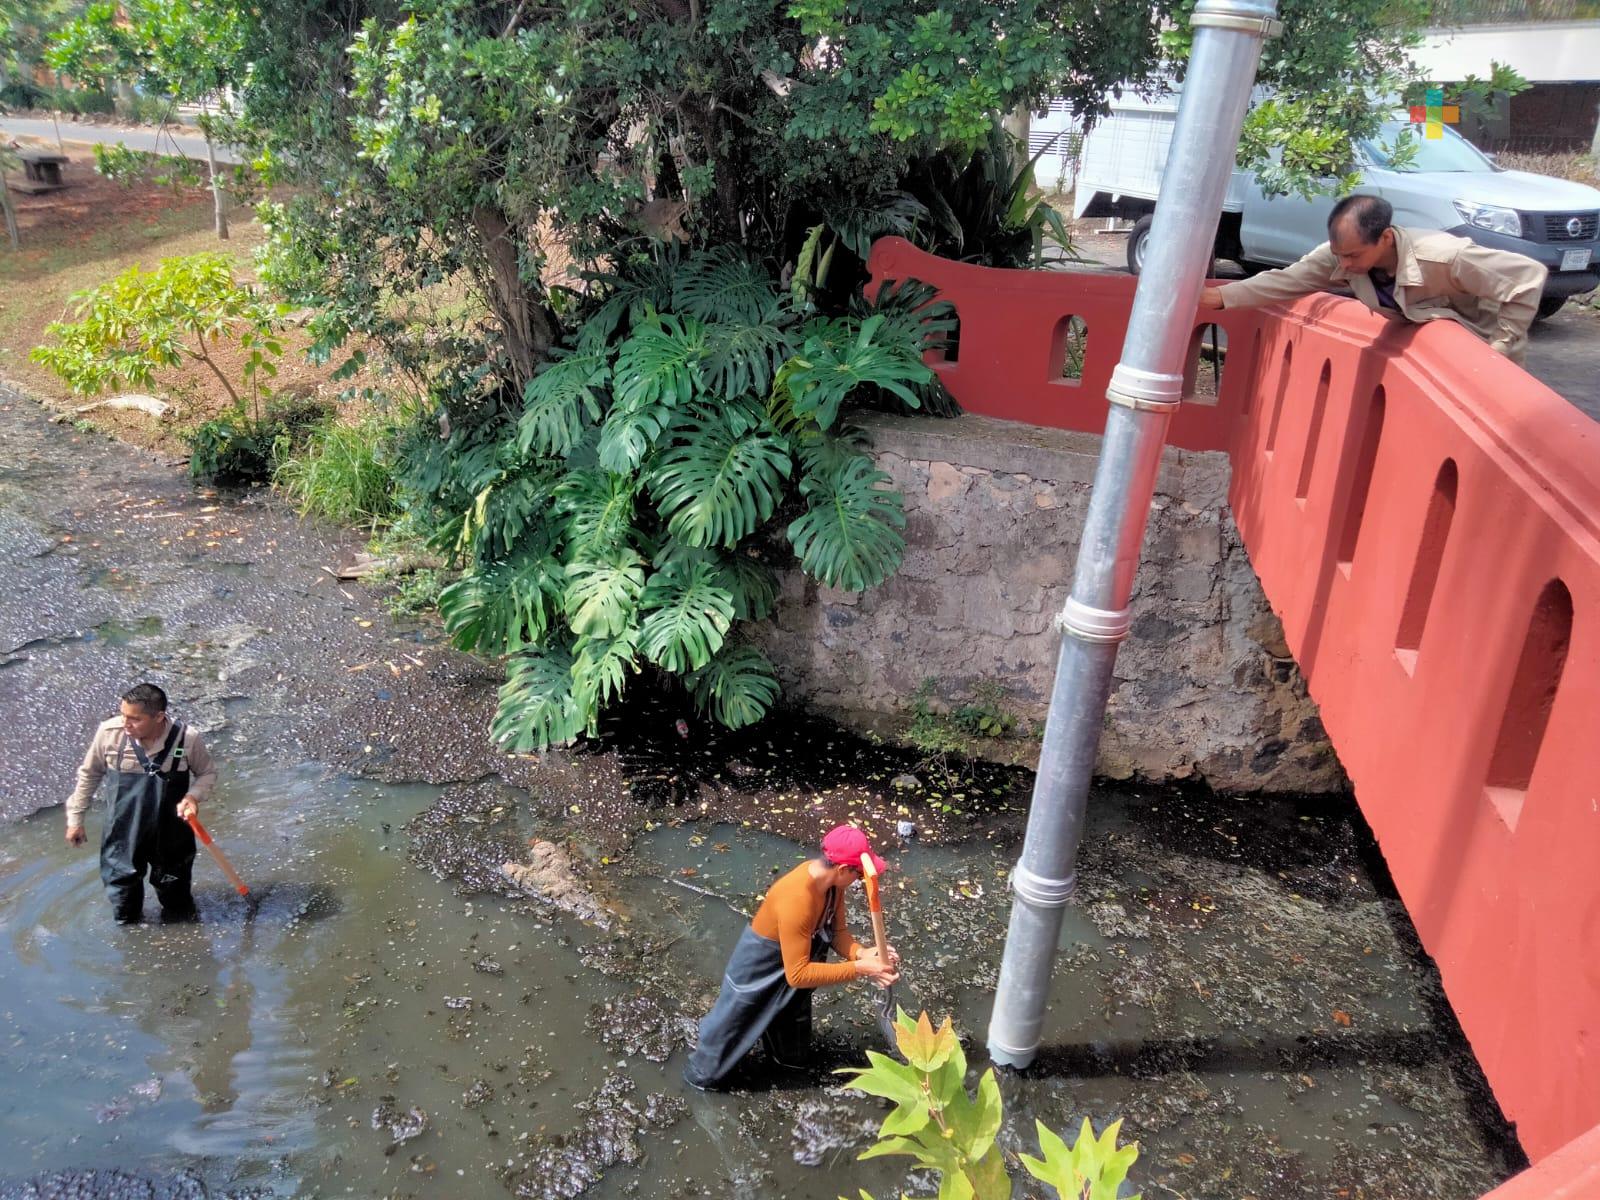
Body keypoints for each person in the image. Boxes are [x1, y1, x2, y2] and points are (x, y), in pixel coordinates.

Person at [1199, 194, 1549, 363]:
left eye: (1353, 256)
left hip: (1486, 357)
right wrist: (1221, 297)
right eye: (1339, 255)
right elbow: (1289, 280)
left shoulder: (1443, 256)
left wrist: (1499, 348)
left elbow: (1527, 277)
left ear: (1384, 238)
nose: (1344, 264)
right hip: (1438, 356)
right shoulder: (1340, 256)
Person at [683, 825, 899, 1089]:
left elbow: (838, 932)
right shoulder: (797, 899)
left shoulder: (833, 885)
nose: (860, 881)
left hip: (794, 978)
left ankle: (782, 1056)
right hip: (758, 976)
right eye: (859, 874)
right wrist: (861, 968)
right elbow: (798, 975)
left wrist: (863, 952)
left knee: (794, 1056)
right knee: (710, 1070)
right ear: (843, 869)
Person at [65, 682, 217, 923]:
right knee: (124, 907)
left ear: (159, 717)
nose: (125, 723)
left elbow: (207, 773)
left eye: (135, 719)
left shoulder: (187, 739)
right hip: (123, 833)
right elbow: (89, 774)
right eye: (123, 715)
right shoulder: (109, 733)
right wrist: (76, 820)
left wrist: (192, 797)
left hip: (171, 834)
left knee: (178, 906)